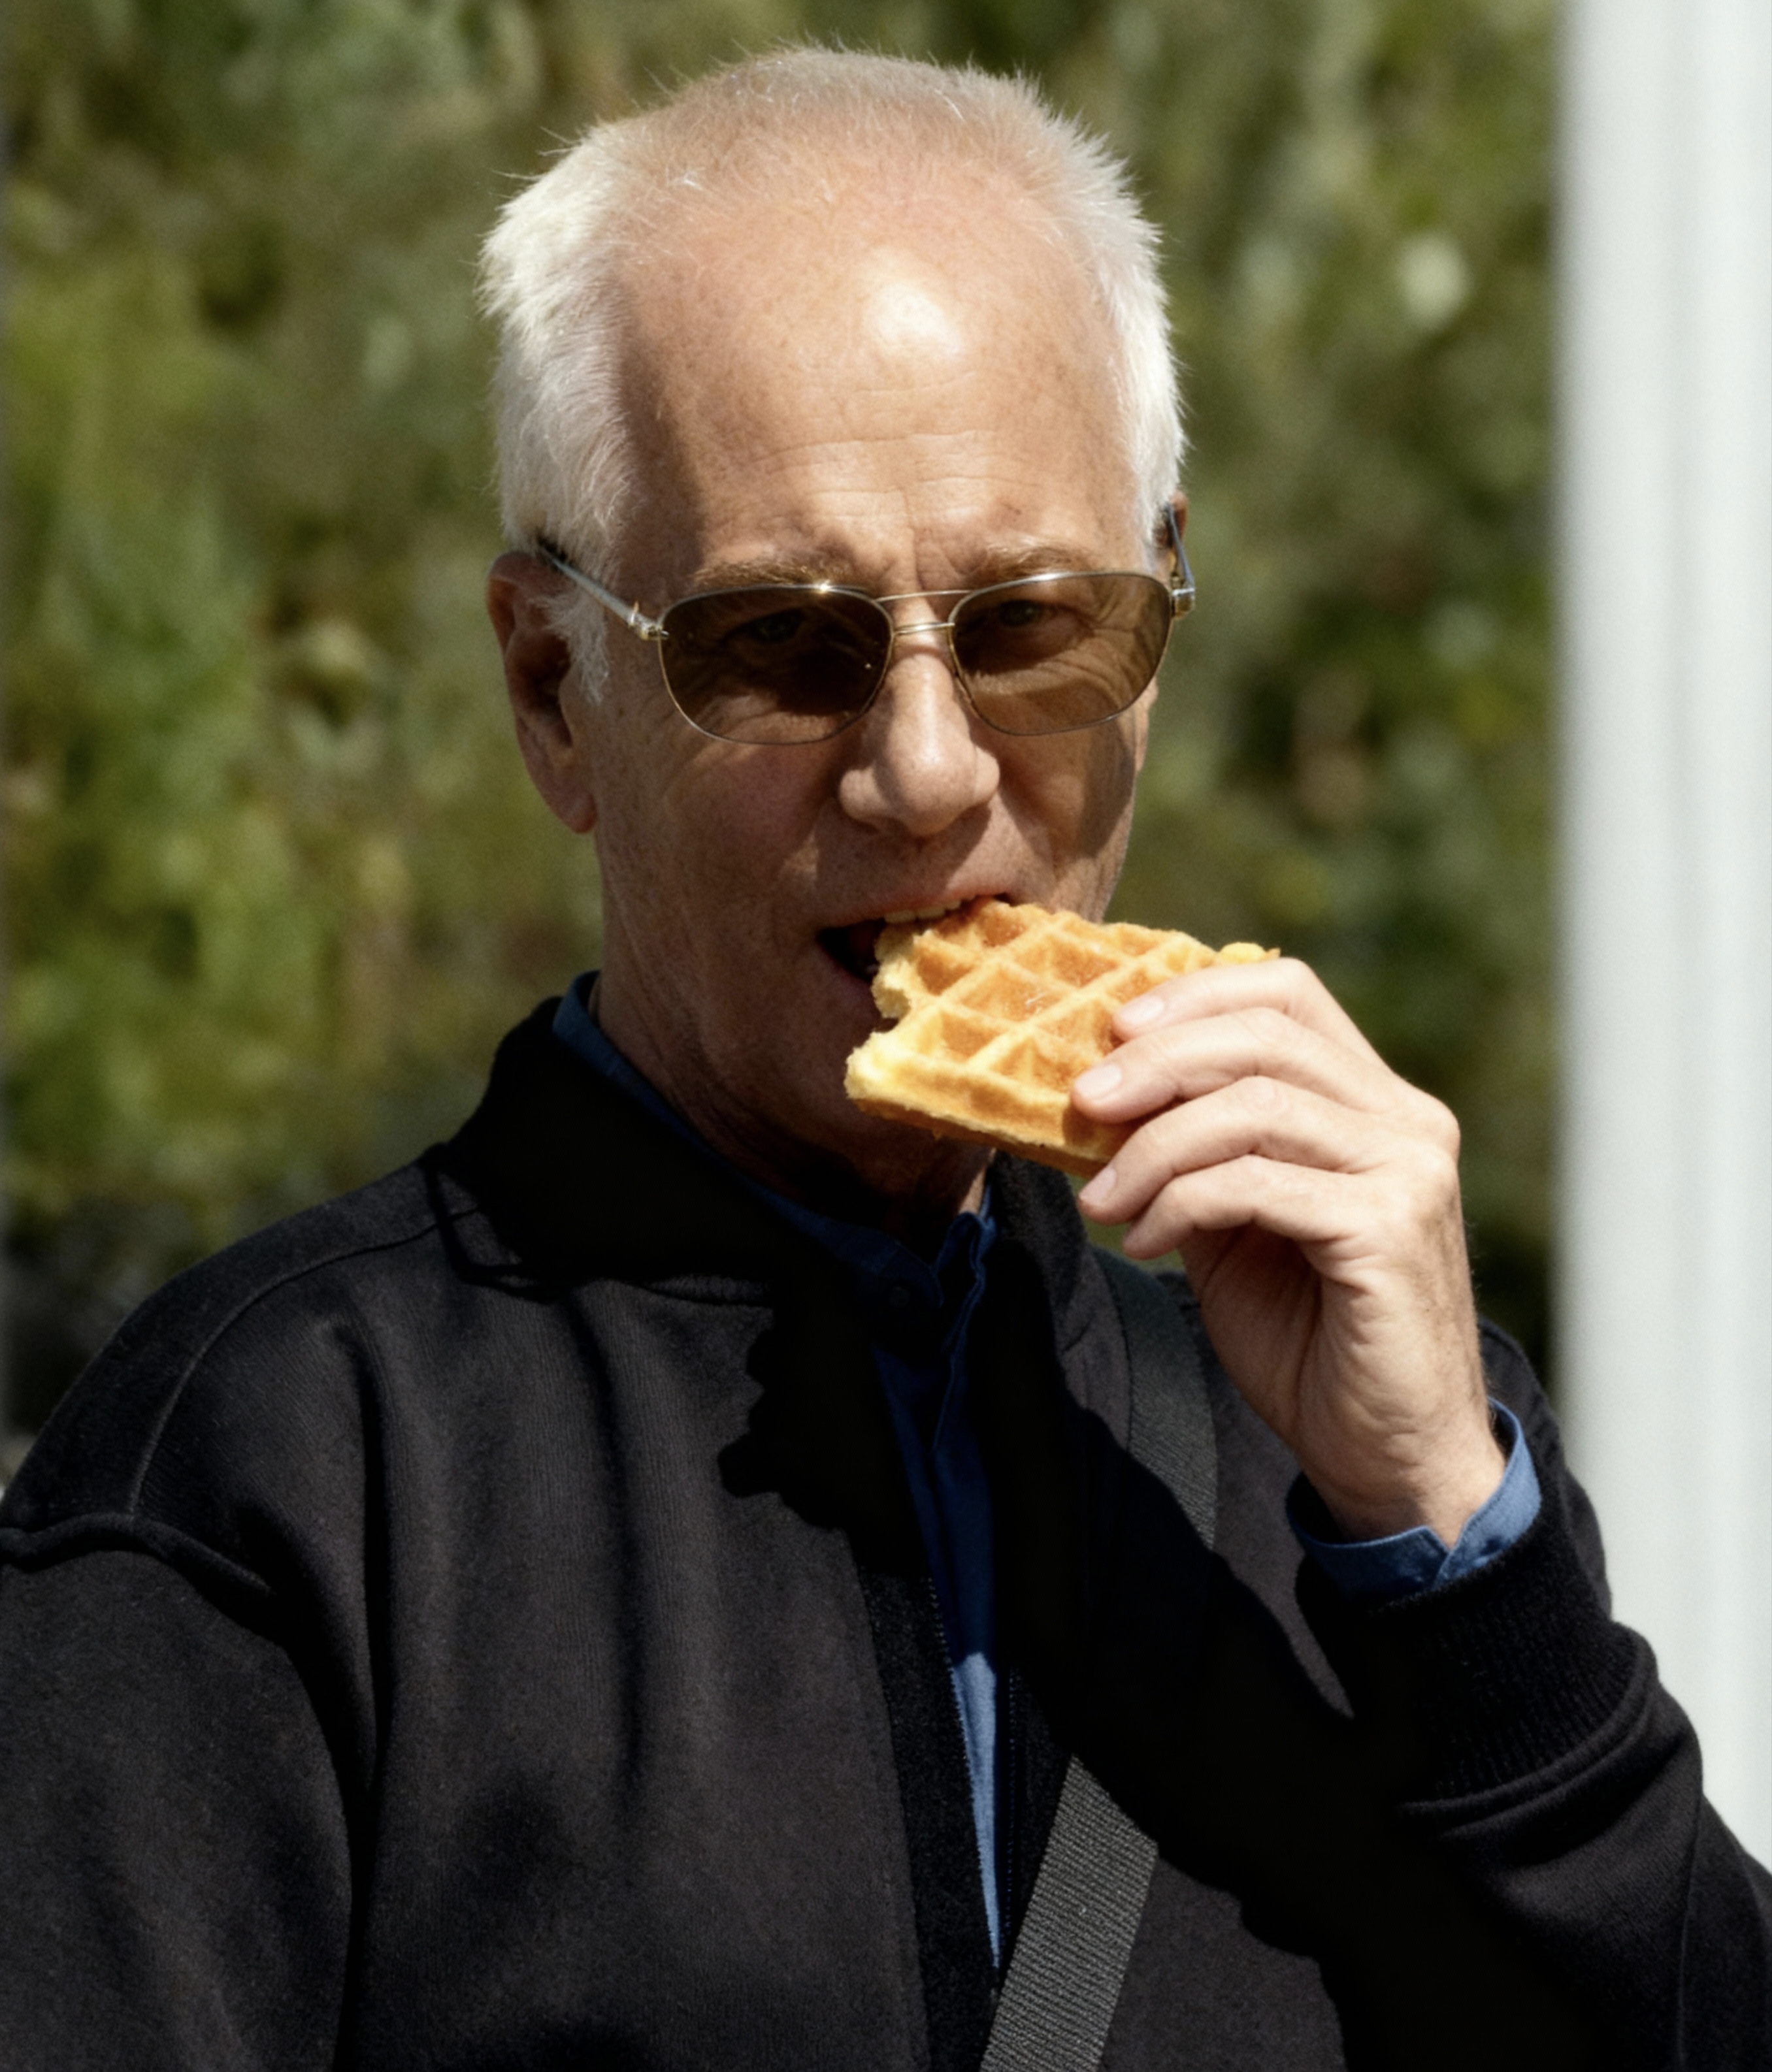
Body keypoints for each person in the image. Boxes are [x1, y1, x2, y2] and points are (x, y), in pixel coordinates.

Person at [0, 49, 1765, 2072]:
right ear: (554, 693)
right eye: (781, 644)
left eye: (1030, 628)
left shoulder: (1364, 1477)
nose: (928, 771)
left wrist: (1465, 1557)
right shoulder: (278, 1471)